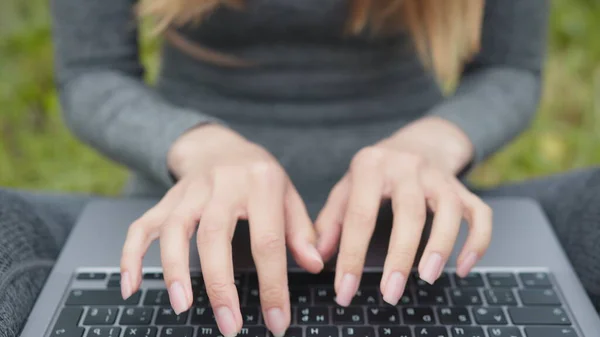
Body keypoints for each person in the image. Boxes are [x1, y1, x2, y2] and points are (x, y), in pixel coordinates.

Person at [1, 0, 600, 336]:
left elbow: (510, 69)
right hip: (190, 219)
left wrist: (432, 145)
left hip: (420, 232)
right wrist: (198, 147)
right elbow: (92, 72)